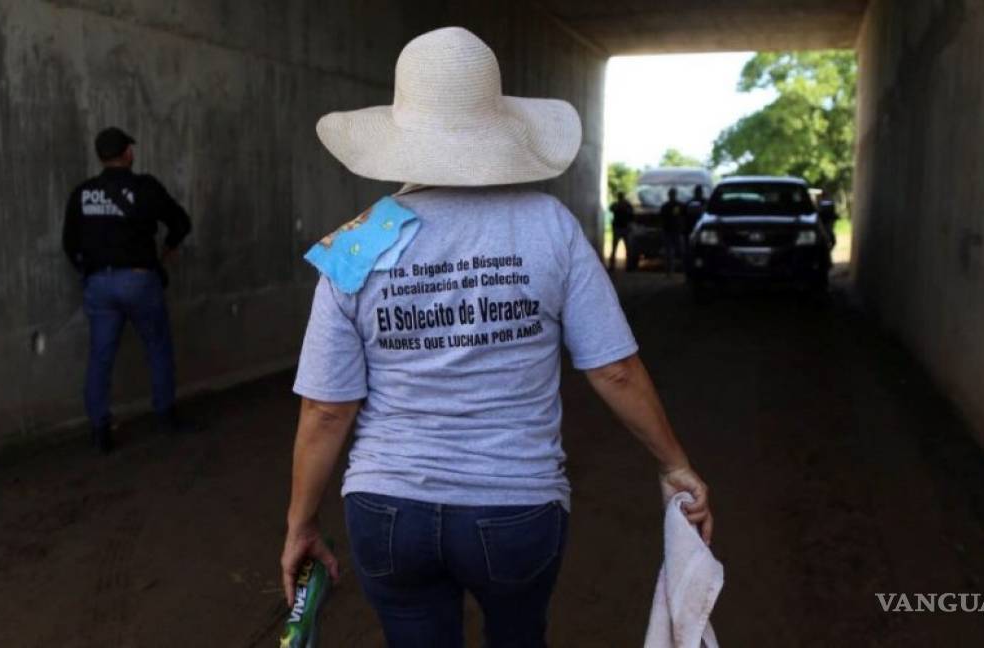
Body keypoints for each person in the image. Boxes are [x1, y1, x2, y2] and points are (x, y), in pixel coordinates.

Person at [280, 27, 713, 648]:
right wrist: (674, 464)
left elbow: (326, 408)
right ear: (497, 126)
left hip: (386, 509)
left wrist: (301, 523)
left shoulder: (356, 242)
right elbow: (613, 370)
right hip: (515, 509)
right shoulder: (549, 226)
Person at [62, 127, 193, 452]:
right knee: (157, 347)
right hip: (139, 279)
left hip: (98, 284)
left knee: (100, 357)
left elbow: (69, 243)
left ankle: (100, 432)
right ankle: (165, 417)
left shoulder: (82, 193)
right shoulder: (144, 188)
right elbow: (181, 222)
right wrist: (169, 249)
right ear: (128, 154)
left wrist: (91, 273)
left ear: (100, 156)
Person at [659, 187, 685, 276]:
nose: (672, 195)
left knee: (674, 252)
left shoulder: (672, 205)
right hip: (671, 231)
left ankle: (672, 271)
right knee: (672, 252)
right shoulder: (677, 205)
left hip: (673, 231)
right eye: (672, 194)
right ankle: (671, 271)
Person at [607, 190, 634, 272]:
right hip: (621, 228)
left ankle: (616, 266)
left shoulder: (621, 205)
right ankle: (628, 267)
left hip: (620, 228)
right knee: (626, 249)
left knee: (620, 248)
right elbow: (611, 208)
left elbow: (631, 215)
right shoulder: (624, 205)